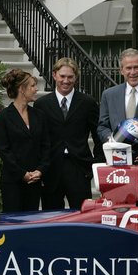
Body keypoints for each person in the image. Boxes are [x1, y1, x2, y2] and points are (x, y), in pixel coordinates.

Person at [34, 57, 103, 210]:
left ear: (76, 78)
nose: (66, 81)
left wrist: (95, 164)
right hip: (51, 167)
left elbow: (98, 136)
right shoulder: (41, 104)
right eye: (62, 76)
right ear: (54, 75)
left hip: (79, 168)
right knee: (51, 216)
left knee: (82, 216)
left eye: (70, 77)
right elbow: (37, 139)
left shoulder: (87, 102)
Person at [0, 69, 50, 212]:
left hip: (35, 179)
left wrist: (40, 170)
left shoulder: (39, 115)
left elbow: (46, 145)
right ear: (21, 89)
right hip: (13, 180)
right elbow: (3, 150)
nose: (36, 89)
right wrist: (22, 174)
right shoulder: (3, 117)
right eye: (32, 86)